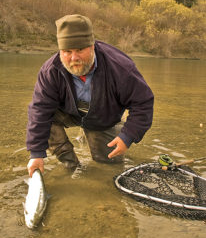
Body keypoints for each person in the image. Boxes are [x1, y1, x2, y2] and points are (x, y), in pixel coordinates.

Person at [26, 14, 154, 177]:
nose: (74, 58)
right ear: (60, 51)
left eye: (80, 50)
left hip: (102, 118)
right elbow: (39, 111)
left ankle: (104, 133)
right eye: (67, 51)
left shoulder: (121, 67)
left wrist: (127, 136)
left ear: (92, 46)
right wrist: (36, 153)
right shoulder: (50, 71)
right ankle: (70, 164)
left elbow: (143, 103)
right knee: (45, 117)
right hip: (68, 113)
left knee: (109, 164)